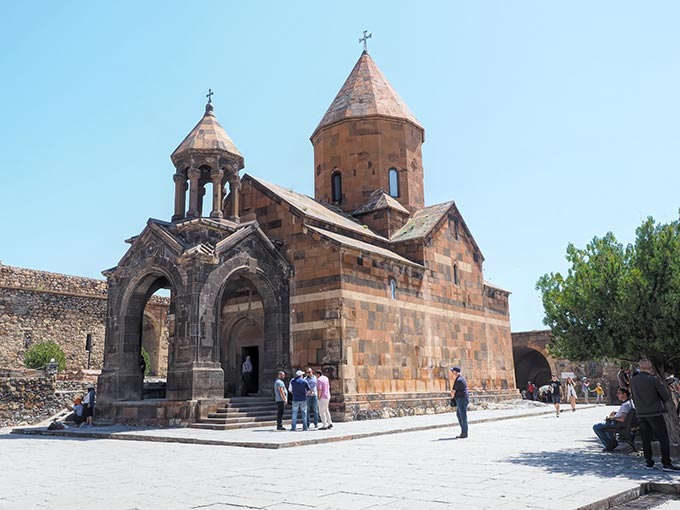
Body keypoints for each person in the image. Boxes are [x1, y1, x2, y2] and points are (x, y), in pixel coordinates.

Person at [630, 359, 680, 471]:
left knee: (646, 438)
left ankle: (649, 462)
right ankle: (666, 463)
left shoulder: (633, 380)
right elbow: (665, 397)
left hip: (641, 413)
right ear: (649, 368)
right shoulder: (653, 380)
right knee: (663, 438)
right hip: (655, 412)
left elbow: (633, 396)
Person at [592, 387, 634, 451]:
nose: (617, 395)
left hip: (618, 424)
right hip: (617, 422)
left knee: (596, 427)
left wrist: (612, 418)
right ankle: (612, 443)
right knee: (606, 425)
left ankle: (609, 444)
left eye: (619, 393)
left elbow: (622, 419)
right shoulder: (629, 403)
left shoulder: (626, 405)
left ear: (624, 394)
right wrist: (615, 414)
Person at [449, 366, 468, 439]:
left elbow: (453, 391)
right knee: (459, 414)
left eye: (452, 371)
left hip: (461, 399)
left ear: (455, 372)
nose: (452, 373)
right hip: (462, 398)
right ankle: (463, 431)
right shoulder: (461, 379)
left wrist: (452, 399)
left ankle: (464, 432)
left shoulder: (458, 380)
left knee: (462, 416)